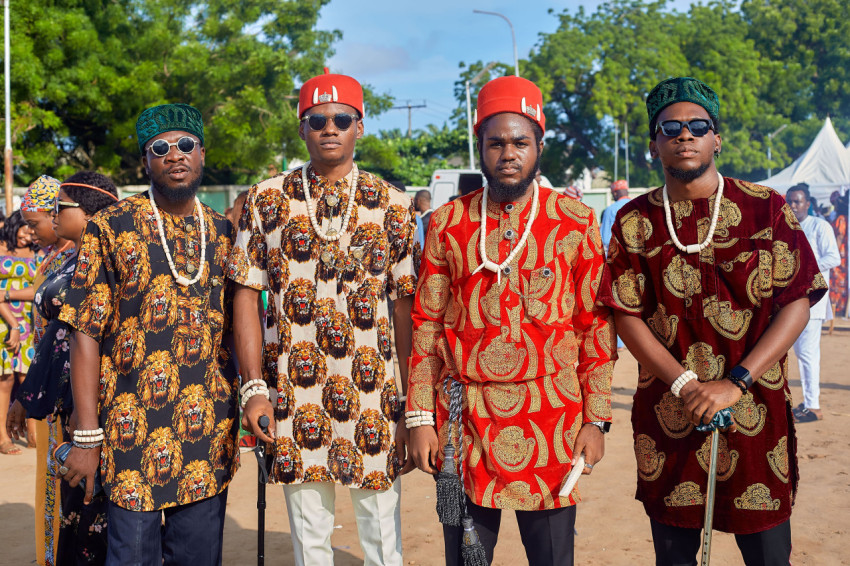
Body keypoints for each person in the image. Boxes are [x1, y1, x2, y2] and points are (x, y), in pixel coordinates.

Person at [597, 77, 826, 566]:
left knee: (769, 555)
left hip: (756, 414)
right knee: (675, 556)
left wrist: (737, 382)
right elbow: (625, 313)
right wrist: (684, 384)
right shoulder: (635, 221)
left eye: (698, 125)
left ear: (716, 138)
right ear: (653, 143)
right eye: (671, 127)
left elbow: (797, 300)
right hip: (669, 417)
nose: (685, 135)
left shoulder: (764, 206)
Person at [407, 76, 614, 566]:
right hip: (460, 423)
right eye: (495, 142)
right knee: (464, 557)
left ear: (539, 146)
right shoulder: (446, 222)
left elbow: (594, 325)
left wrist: (597, 418)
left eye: (520, 142)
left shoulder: (576, 220)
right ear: (480, 147)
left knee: (551, 559)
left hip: (553, 419)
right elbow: (427, 323)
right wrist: (420, 419)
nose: (508, 153)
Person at [230, 69, 419, 566]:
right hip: (294, 392)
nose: (329, 128)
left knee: (382, 533)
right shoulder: (266, 199)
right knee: (309, 537)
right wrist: (253, 390)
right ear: (301, 128)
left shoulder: (395, 206)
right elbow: (246, 294)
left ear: (360, 126)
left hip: (376, 392)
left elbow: (404, 304)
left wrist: (413, 397)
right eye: (317, 120)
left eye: (341, 118)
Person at [58, 103, 240, 565]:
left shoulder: (224, 232)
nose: (175, 155)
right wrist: (86, 437)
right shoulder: (111, 227)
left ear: (202, 154)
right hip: (129, 430)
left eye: (186, 145)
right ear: (146, 160)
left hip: (207, 430)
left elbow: (241, 327)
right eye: (161, 148)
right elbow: (85, 332)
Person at [18, 172, 119, 565]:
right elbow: (57, 338)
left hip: (92, 406)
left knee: (96, 510)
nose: (54, 216)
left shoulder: (104, 261)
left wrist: (85, 408)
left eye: (60, 208)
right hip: (65, 399)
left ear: (90, 210)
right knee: (73, 506)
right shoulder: (69, 257)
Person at [6, 174, 75, 565]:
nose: (30, 233)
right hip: (45, 374)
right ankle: (47, 553)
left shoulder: (79, 256)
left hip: (64, 380)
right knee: (48, 469)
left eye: (34, 224)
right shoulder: (51, 256)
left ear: (57, 215)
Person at [785, 184, 840, 422]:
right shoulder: (785, 227)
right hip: (788, 302)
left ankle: (813, 406)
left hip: (812, 300)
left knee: (807, 354)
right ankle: (805, 402)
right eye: (790, 201)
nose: (793, 206)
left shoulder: (820, 226)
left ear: (808, 203)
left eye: (797, 201)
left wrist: (808, 267)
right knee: (793, 352)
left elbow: (833, 257)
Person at [0, 210, 38, 454]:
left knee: (29, 377)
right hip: (3, 318)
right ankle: (3, 436)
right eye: (25, 229)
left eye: (31, 229)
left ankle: (33, 431)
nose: (29, 234)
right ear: (14, 225)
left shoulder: (38, 250)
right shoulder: (1, 246)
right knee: (6, 380)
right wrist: (13, 325)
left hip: (30, 319)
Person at [600, 179, 631, 256]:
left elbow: (605, 239)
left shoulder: (611, 210)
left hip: (618, 256)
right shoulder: (639, 206)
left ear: (615, 193)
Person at [829, 192, 848, 316]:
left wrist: (833, 252)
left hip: (839, 253)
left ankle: (837, 307)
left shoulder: (841, 218)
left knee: (837, 281)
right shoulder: (845, 217)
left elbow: (840, 236)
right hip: (843, 254)